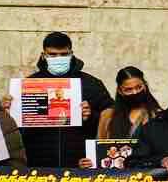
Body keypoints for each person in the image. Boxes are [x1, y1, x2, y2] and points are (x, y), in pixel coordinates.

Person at [21, 32, 113, 169]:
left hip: (80, 163)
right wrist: (12, 109)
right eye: (52, 54)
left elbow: (110, 117)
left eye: (63, 54)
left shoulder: (91, 83)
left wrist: (90, 116)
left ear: (71, 54)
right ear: (43, 55)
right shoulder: (30, 84)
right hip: (39, 163)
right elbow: (20, 129)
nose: (58, 58)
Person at [95, 67, 160, 141]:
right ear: (120, 91)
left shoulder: (157, 115)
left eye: (139, 87)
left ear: (145, 85)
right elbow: (100, 145)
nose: (135, 92)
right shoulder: (108, 116)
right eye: (128, 90)